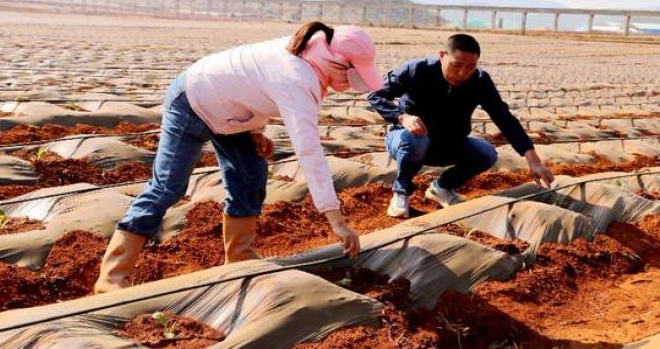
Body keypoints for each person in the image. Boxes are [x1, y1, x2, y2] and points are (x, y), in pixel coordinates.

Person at [94, 21, 384, 293]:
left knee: (250, 175)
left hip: (229, 113)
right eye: (351, 73)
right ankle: (112, 278)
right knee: (168, 187)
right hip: (192, 102)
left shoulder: (308, 53)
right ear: (337, 62)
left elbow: (253, 87)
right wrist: (336, 220)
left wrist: (255, 129)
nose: (350, 82)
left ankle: (239, 257)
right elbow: (309, 151)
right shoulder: (298, 75)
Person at [367, 33, 554, 218]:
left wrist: (533, 160)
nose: (463, 73)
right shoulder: (417, 70)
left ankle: (441, 188)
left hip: (449, 144)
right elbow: (376, 94)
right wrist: (402, 117)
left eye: (470, 67)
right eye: (457, 65)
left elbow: (503, 117)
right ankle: (401, 192)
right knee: (416, 140)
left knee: (487, 153)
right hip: (407, 139)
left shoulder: (479, 81)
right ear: (442, 55)